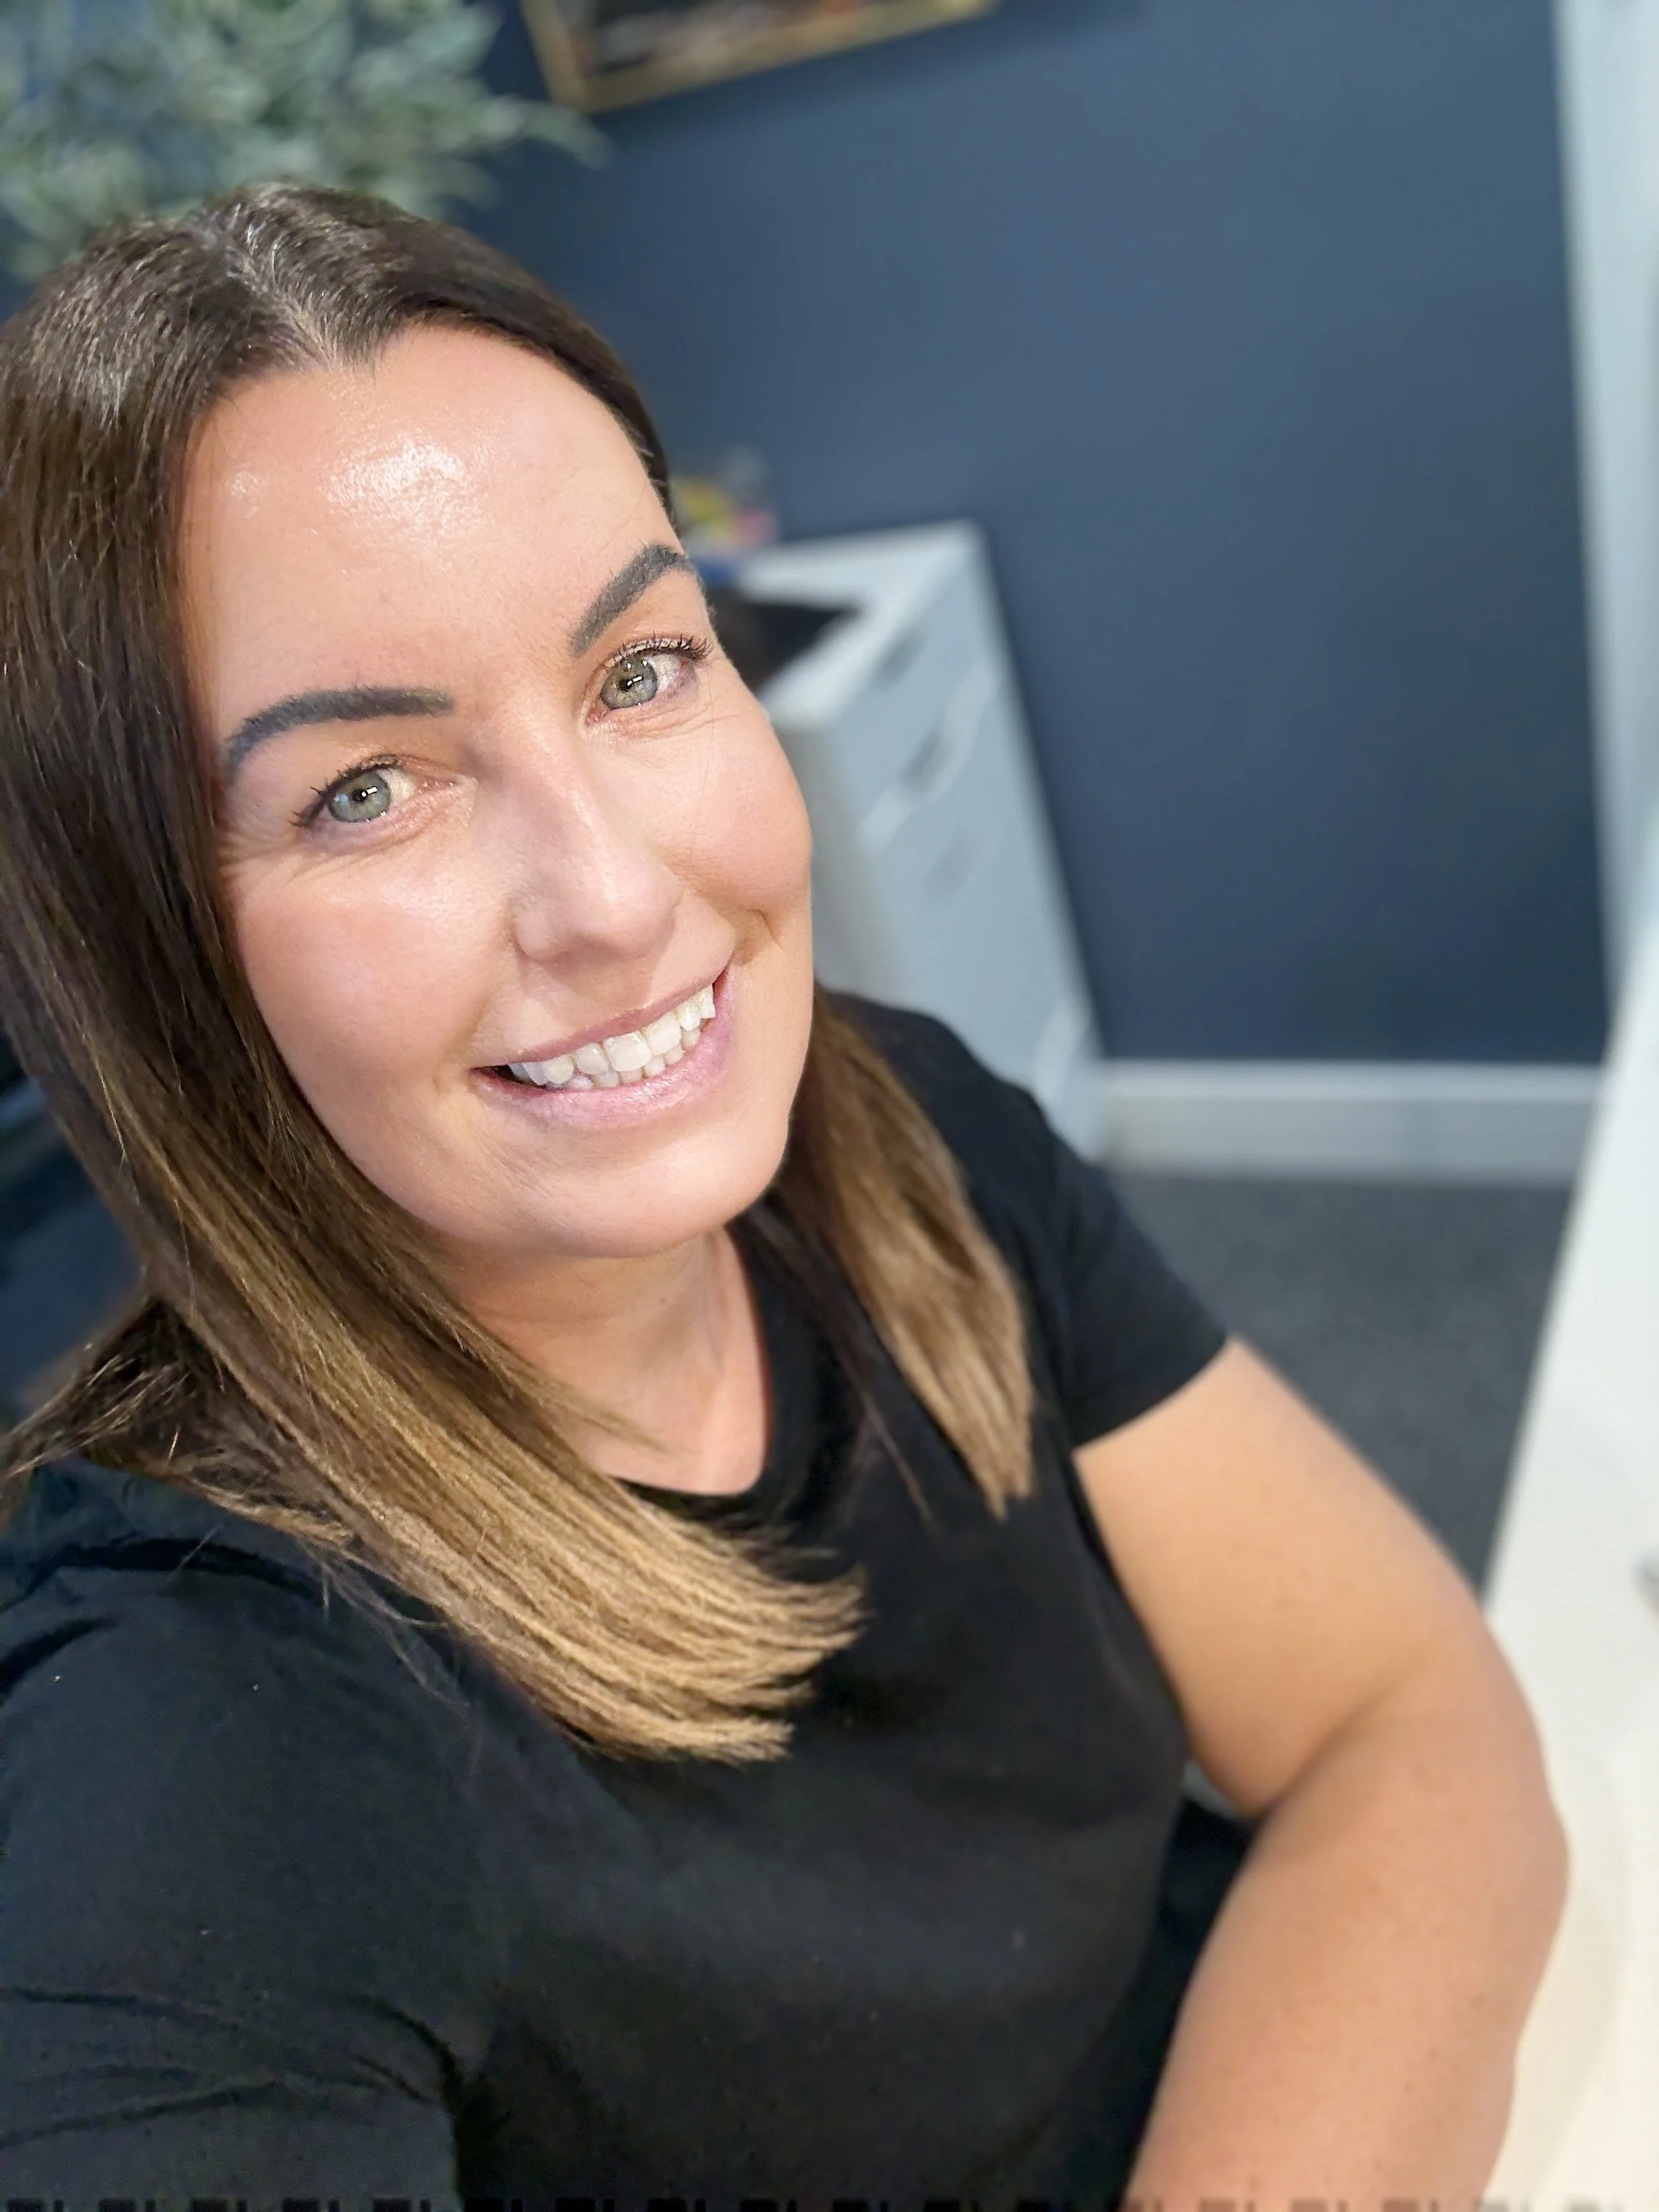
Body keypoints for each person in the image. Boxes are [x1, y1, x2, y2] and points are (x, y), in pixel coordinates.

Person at [0, 187, 1564, 2212]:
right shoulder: (202, 1730)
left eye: (641, 668)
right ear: (142, 963)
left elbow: (1401, 1718)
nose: (620, 896)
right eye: (363, 789)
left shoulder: (899, 1139)